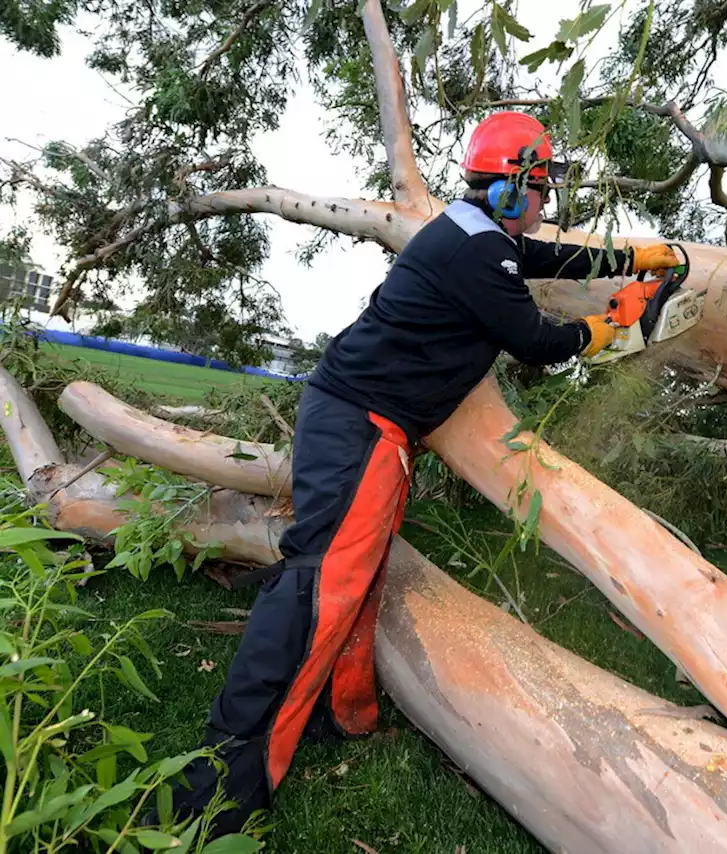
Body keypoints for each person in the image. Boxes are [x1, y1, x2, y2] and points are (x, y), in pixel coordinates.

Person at [162, 111, 683, 836]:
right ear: (513, 188)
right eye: (540, 187)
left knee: (350, 582)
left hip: (360, 422)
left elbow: (546, 258)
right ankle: (219, 787)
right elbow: (537, 342)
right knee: (319, 589)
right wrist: (615, 320)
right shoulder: (479, 252)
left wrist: (634, 259)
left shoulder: (476, 233)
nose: (543, 202)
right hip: (362, 430)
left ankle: (338, 714)